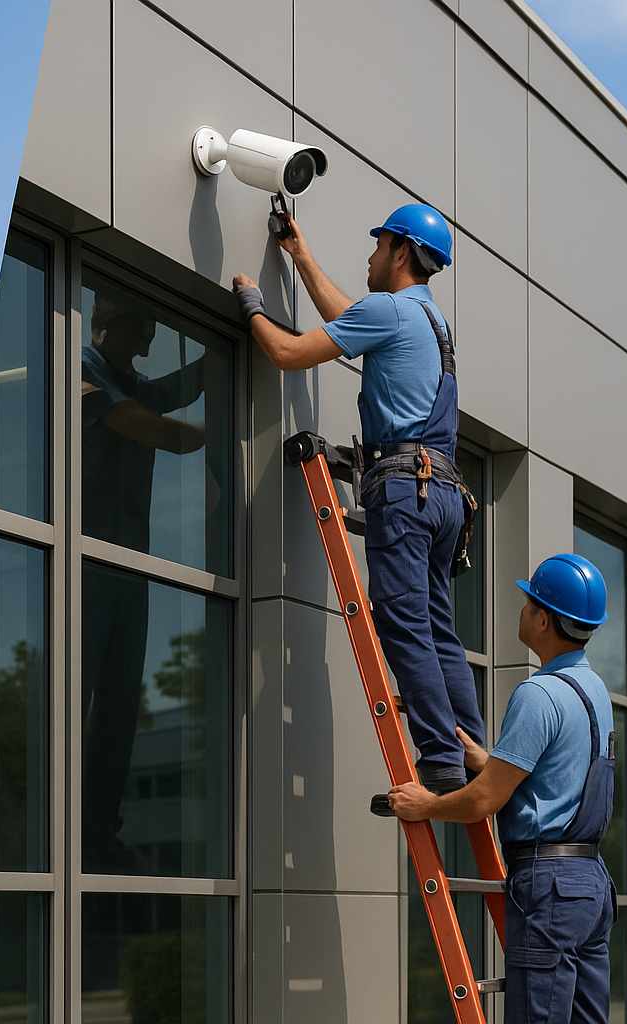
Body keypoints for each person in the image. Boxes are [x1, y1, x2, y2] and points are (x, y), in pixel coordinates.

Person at [233, 203, 481, 800]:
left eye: (377, 247)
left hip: (405, 492)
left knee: (401, 621)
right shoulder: (426, 320)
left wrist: (252, 308)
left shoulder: (390, 310)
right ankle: (470, 750)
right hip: (444, 493)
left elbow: (288, 355)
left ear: (400, 251)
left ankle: (442, 760)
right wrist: (302, 256)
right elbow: (349, 319)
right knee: (439, 630)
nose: (369, 257)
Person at [387, 554, 617, 1024]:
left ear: (544, 619)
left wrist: (425, 804)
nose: (522, 610)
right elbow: (559, 773)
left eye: (528, 601)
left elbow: (484, 801)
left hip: (549, 886)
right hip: (591, 883)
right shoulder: (594, 690)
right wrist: (491, 763)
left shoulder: (538, 694)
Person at [79, 290, 206, 871]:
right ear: (110, 328)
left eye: (150, 344)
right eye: (137, 339)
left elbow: (178, 389)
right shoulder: (81, 367)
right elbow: (142, 424)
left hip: (133, 563)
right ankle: (58, 825)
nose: (143, 352)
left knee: (122, 699)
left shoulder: (128, 377)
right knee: (75, 693)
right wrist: (204, 436)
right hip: (83, 558)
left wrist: (239, 336)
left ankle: (98, 831)